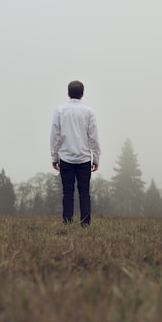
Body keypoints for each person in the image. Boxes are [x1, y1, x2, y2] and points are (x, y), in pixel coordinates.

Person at [50, 80, 101, 226]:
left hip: (65, 158)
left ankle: (67, 222)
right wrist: (96, 158)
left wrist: (54, 156)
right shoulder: (89, 111)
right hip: (84, 158)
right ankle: (85, 223)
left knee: (67, 192)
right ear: (82, 94)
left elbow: (55, 135)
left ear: (68, 93)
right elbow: (93, 137)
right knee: (84, 193)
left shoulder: (59, 110)